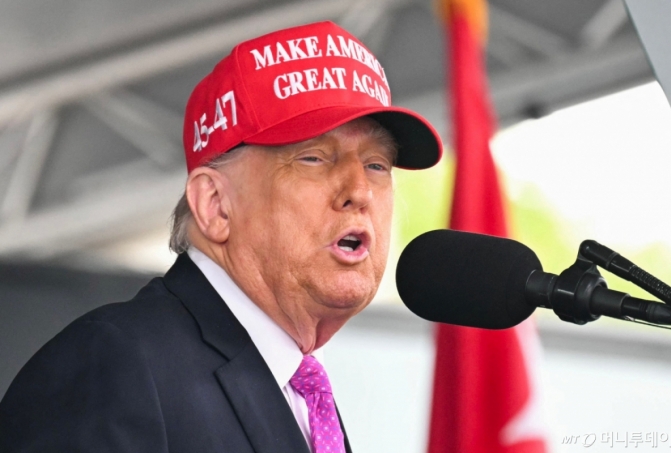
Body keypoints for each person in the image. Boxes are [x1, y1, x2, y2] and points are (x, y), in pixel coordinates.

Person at [0, 21, 441, 452]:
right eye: (313, 158)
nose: (360, 192)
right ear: (215, 205)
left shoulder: (304, 391)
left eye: (377, 165)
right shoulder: (114, 364)